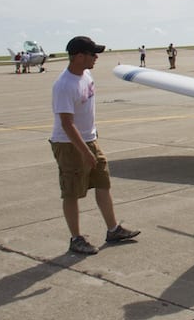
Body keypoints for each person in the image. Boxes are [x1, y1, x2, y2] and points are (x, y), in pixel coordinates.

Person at [50, 36, 140, 254]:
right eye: (93, 54)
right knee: (72, 192)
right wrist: (85, 152)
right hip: (69, 144)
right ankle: (76, 238)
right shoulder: (64, 85)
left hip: (90, 139)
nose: (96, 57)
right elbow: (66, 123)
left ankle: (113, 229)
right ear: (79, 56)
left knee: (103, 183)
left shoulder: (86, 75)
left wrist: (93, 142)